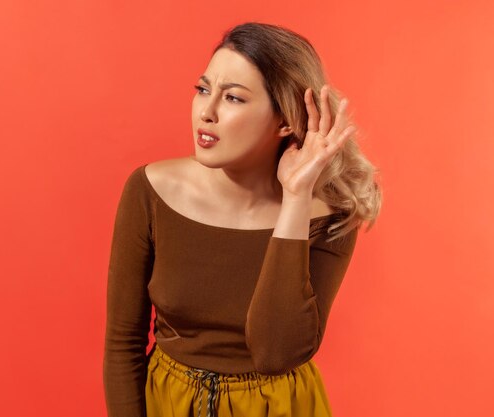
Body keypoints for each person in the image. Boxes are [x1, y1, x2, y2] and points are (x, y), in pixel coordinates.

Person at [103, 22, 381, 417]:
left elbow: (275, 352)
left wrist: (296, 199)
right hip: (169, 404)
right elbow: (122, 342)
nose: (207, 112)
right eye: (203, 90)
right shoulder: (149, 190)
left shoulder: (330, 216)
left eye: (233, 98)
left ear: (286, 120)